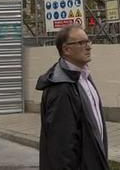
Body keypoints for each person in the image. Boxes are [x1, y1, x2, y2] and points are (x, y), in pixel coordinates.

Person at [36, 24, 109, 170]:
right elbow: (61, 148)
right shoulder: (61, 88)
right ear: (66, 49)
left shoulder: (83, 77)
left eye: (88, 41)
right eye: (81, 43)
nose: (88, 47)